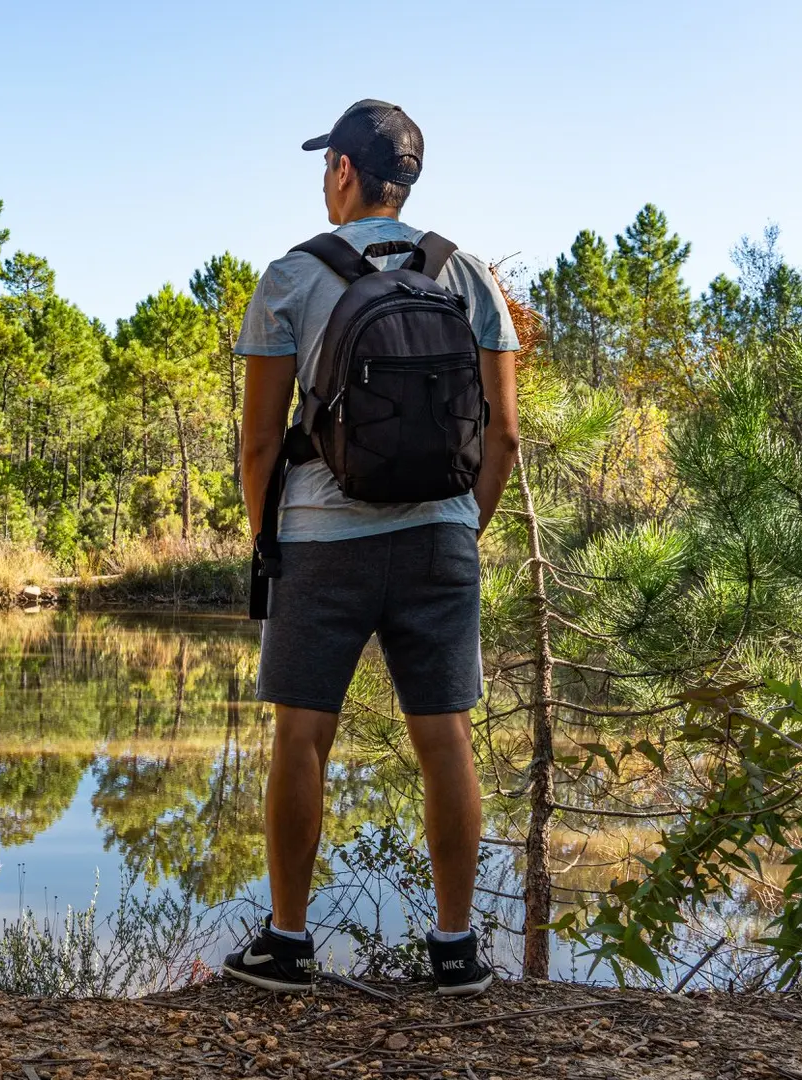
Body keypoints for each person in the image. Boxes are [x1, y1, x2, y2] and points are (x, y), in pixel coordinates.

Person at [223, 99, 520, 997]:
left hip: (323, 540)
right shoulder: (467, 275)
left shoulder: (291, 278)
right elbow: (503, 435)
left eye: (326, 167)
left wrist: (269, 538)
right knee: (446, 741)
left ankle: (287, 942)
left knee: (302, 737)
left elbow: (259, 445)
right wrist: (463, 526)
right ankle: (457, 948)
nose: (323, 181)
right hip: (441, 536)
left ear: (345, 173)